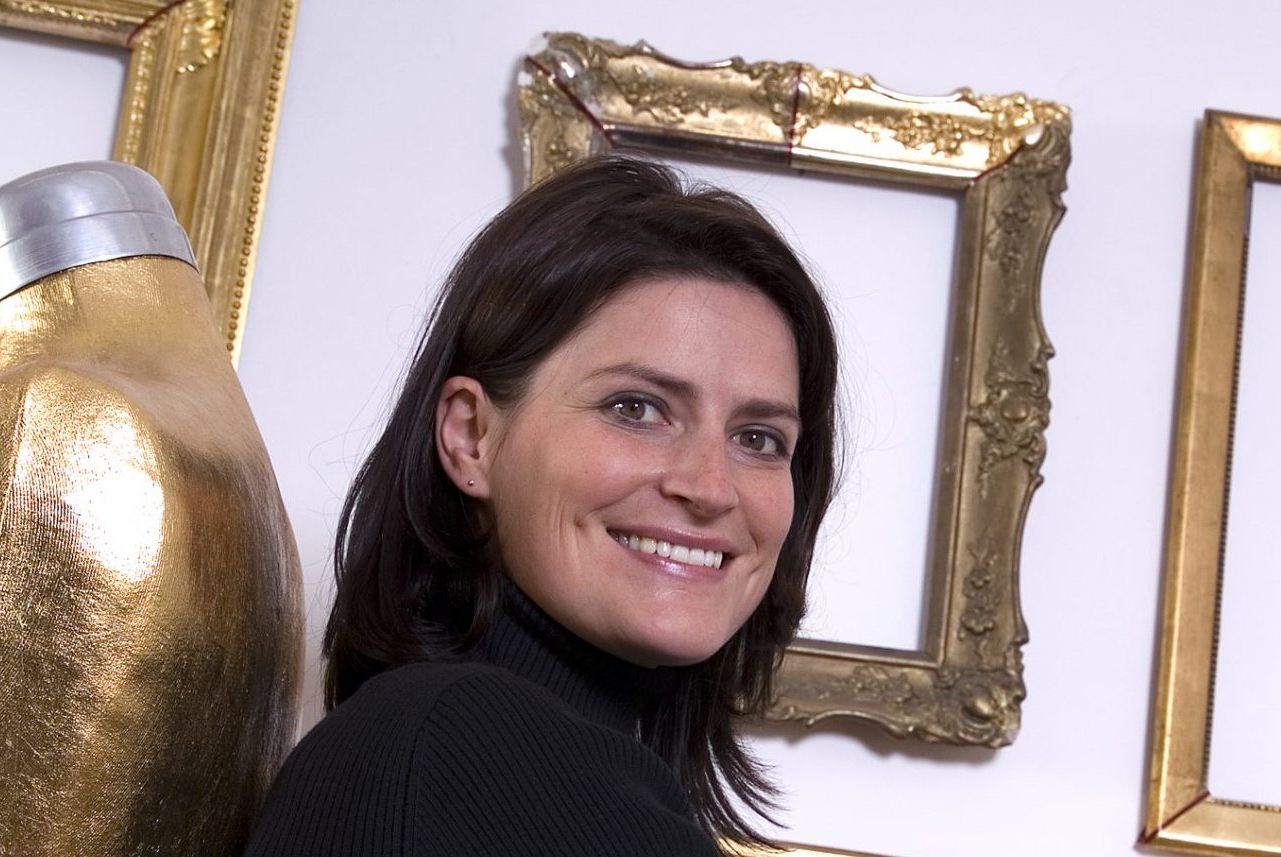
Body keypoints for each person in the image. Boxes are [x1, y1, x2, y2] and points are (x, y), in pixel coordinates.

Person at [242, 156, 841, 857]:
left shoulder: (481, 750)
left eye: (759, 438)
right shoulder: (459, 750)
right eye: (635, 408)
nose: (710, 488)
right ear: (471, 437)